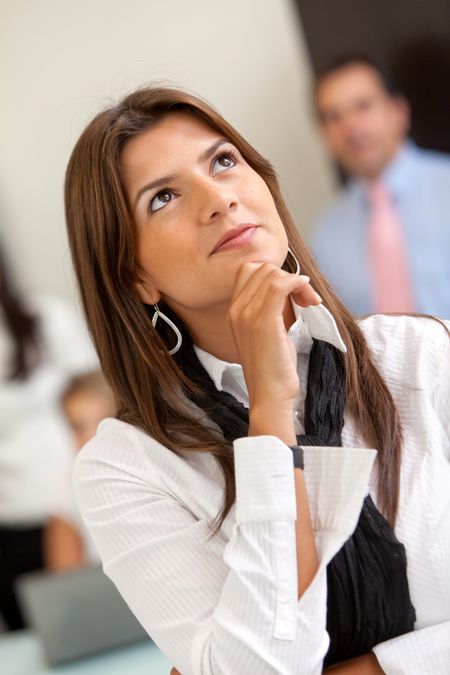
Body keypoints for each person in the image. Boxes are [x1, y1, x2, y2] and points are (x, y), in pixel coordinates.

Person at [65, 86, 450, 675]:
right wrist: (269, 413)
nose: (218, 199)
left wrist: (370, 670)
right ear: (134, 276)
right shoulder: (126, 466)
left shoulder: (424, 355)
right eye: (163, 197)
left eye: (223, 161)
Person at [0, 241, 97, 630]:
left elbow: (96, 395)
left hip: (70, 504)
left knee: (92, 626)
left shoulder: (47, 320)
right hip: (9, 529)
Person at [311, 55, 450, 318]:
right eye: (333, 116)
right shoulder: (326, 236)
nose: (350, 126)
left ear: (399, 112)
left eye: (362, 106)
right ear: (325, 136)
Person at [44, 370, 116, 572]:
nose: (89, 438)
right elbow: (66, 579)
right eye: (77, 427)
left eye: (103, 422)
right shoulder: (67, 487)